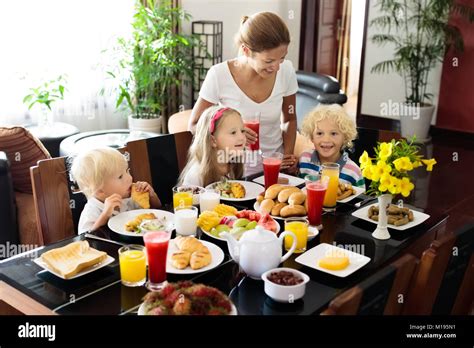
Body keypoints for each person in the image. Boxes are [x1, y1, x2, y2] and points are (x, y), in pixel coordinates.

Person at [188, 11, 298, 175]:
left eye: (281, 58)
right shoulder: (219, 75)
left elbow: (290, 118)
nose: (276, 67)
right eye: (269, 61)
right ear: (246, 50)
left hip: (275, 168)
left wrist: (287, 155)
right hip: (232, 171)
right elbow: (194, 125)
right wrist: (231, 133)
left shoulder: (286, 71)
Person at [71, 147, 161, 233]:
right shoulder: (91, 211)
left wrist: (152, 195)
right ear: (100, 191)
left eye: (127, 171)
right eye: (120, 177)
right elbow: (87, 237)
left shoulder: (129, 198)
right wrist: (105, 215)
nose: (130, 178)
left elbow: (156, 211)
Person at [298, 104, 365, 187]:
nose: (326, 140)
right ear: (312, 137)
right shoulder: (305, 158)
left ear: (345, 137)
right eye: (319, 133)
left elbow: (362, 199)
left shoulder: (353, 172)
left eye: (333, 133)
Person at [179, 106, 246, 187]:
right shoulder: (196, 175)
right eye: (233, 132)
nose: (241, 137)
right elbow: (185, 199)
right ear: (213, 140)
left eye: (242, 131)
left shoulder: (234, 166)